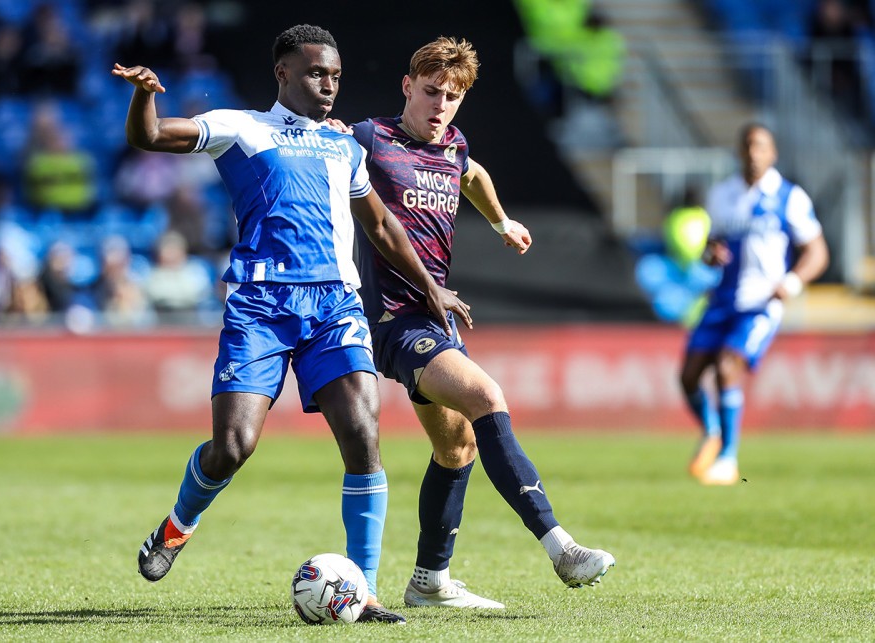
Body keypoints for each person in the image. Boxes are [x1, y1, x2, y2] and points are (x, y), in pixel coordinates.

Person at [112, 24, 472, 624]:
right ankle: (178, 525)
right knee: (233, 448)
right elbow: (149, 136)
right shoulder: (241, 127)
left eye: (334, 75)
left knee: (363, 436)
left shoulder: (344, 147)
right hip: (260, 305)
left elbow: (381, 227)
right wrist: (146, 93)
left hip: (334, 305)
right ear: (283, 73)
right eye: (314, 73)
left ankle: (366, 590)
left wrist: (431, 289)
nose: (328, 85)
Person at [346, 37, 615, 610]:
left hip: (435, 319)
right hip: (394, 320)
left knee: (458, 446)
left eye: (452, 96)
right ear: (406, 87)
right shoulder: (369, 139)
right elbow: (318, 160)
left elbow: (471, 173)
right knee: (488, 396)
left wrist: (501, 222)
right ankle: (561, 548)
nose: (439, 106)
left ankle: (429, 583)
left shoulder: (454, 145)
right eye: (429, 92)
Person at [680, 123, 829, 485]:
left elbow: (817, 252)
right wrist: (710, 255)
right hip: (723, 299)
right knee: (688, 377)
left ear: (772, 153)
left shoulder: (789, 196)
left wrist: (791, 282)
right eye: (747, 146)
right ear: (739, 152)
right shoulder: (722, 195)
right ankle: (713, 433)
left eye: (760, 146)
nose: (753, 153)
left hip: (761, 302)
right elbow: (711, 248)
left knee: (728, 365)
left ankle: (728, 459)